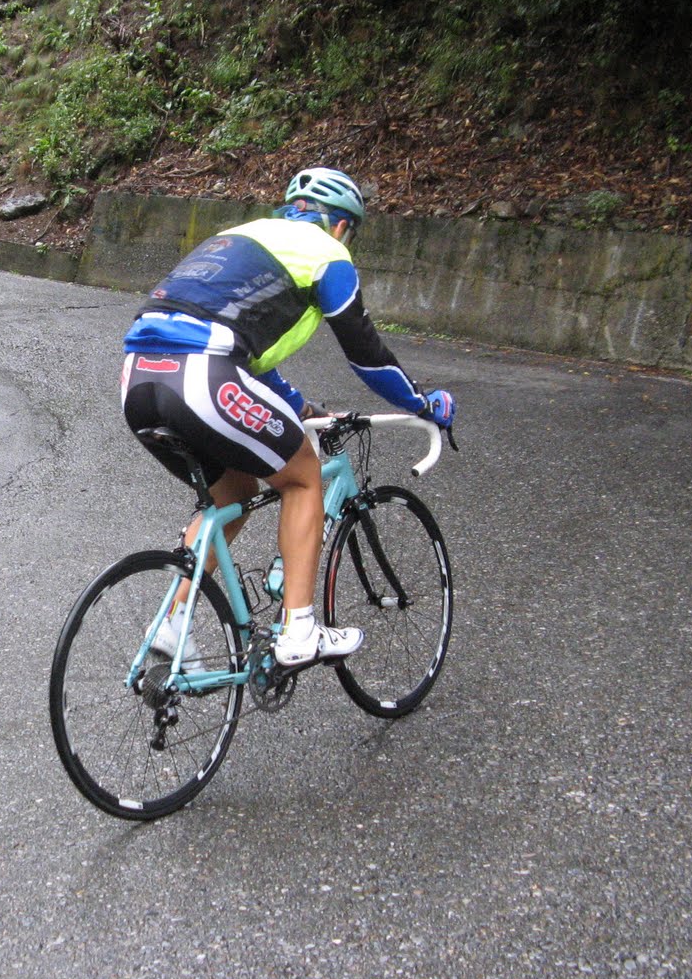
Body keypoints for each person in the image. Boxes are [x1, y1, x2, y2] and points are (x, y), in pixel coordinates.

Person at [120, 167, 456, 668]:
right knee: (302, 475)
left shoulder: (240, 238)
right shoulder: (327, 254)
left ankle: (171, 623)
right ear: (342, 225)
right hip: (203, 375)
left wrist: (302, 409)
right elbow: (366, 353)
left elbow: (245, 355)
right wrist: (423, 404)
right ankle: (299, 630)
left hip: (138, 377)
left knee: (232, 493)